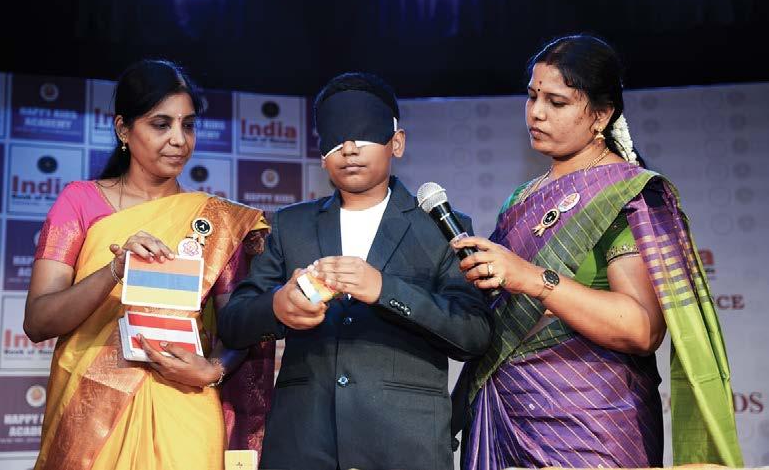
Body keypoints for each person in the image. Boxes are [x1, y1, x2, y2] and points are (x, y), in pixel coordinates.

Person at [451, 34, 743, 468]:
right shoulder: (521, 199)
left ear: (601, 115)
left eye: (557, 101)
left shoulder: (629, 196)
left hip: (589, 425)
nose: (536, 112)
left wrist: (533, 279)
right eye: (532, 97)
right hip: (506, 415)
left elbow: (641, 330)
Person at [217, 72, 493, 470]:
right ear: (321, 153)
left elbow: (473, 335)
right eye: (335, 138)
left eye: (364, 134)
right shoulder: (291, 224)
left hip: (404, 447)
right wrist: (278, 306)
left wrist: (384, 289)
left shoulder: (440, 226)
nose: (348, 148)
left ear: (397, 142)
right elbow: (233, 324)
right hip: (303, 444)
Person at [24, 60, 273, 470]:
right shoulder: (80, 202)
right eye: (161, 125)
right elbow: (38, 321)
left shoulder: (214, 221)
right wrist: (115, 270)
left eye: (188, 126)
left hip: (185, 408)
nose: (179, 140)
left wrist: (211, 370)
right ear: (123, 129)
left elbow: (240, 326)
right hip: (91, 410)